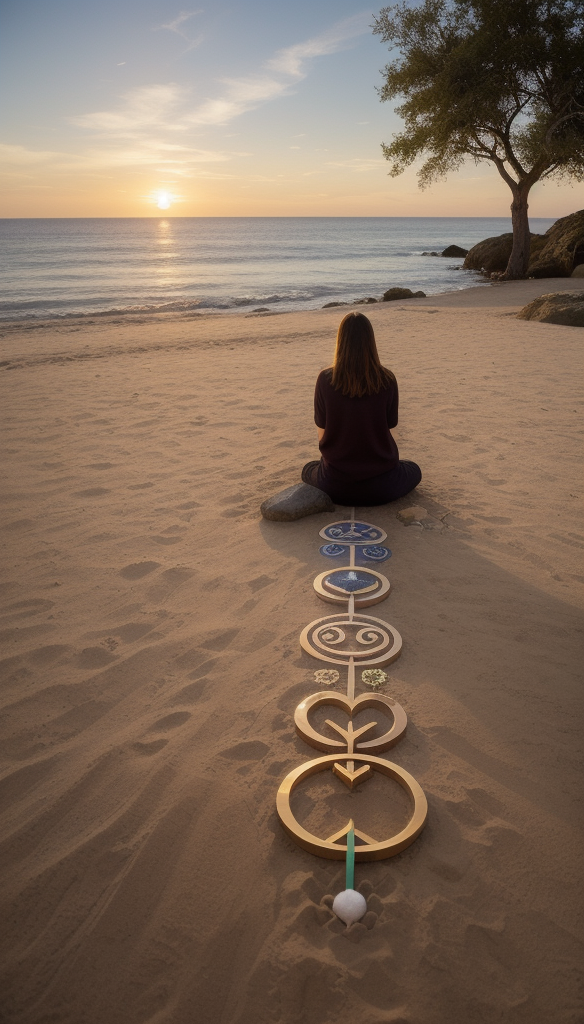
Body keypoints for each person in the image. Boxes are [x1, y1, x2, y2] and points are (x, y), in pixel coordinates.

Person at [301, 311, 421, 506]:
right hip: (382, 486)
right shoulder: (387, 379)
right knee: (414, 469)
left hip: (335, 485)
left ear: (340, 341)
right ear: (371, 342)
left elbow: (322, 436)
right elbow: (390, 430)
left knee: (308, 469)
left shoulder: (325, 379)